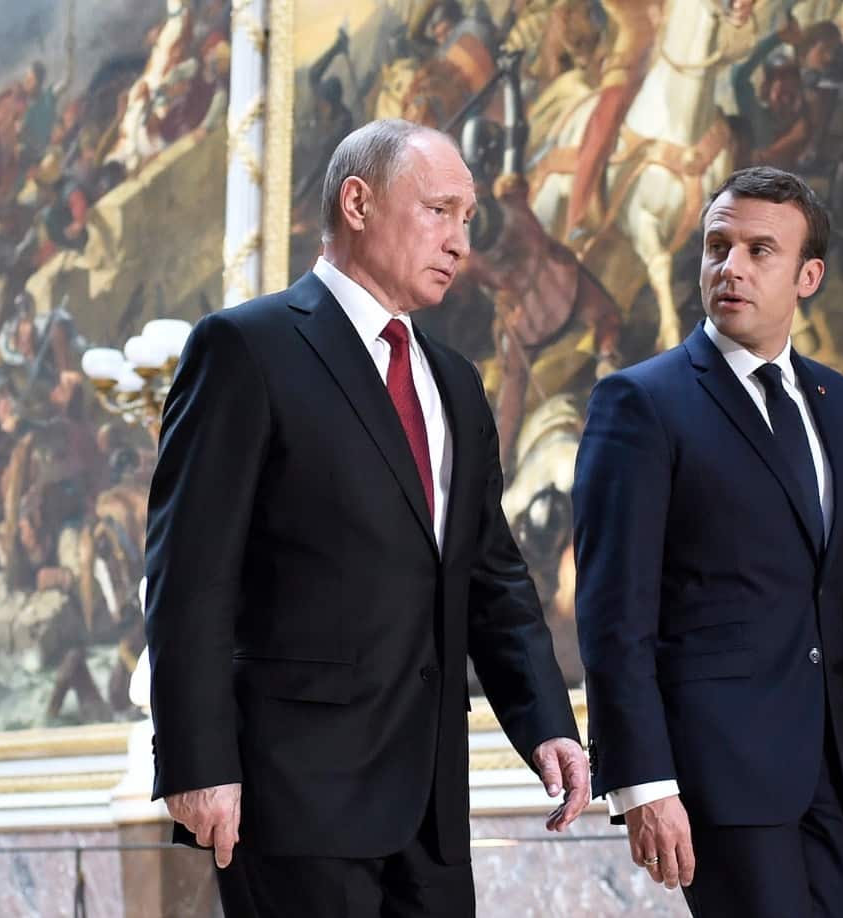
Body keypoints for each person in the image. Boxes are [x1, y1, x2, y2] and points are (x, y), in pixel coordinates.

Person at [145, 119, 589, 918]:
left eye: (468, 219)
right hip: (291, 794)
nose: (460, 242)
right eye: (440, 210)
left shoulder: (455, 382)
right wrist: (196, 763)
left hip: (428, 803)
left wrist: (545, 720)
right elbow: (189, 580)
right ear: (357, 202)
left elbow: (489, 572)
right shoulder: (245, 348)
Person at [572, 166, 843, 918]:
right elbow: (611, 615)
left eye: (759, 250)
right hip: (716, 775)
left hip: (826, 765)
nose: (730, 266)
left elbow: (839, 575)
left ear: (807, 276)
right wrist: (644, 785)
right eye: (716, 246)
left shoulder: (838, 402)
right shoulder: (640, 402)